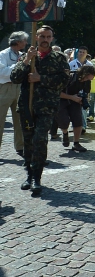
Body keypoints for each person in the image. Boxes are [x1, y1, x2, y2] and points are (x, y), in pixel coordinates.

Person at [11, 25, 70, 195]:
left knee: (39, 140)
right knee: (28, 141)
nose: (45, 39)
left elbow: (64, 80)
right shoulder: (26, 55)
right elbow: (15, 78)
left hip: (46, 107)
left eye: (48, 36)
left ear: (52, 38)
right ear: (36, 37)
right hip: (27, 106)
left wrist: (40, 78)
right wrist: (27, 61)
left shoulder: (58, 58)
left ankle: (37, 177)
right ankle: (29, 175)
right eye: (42, 36)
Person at [0, 31, 29, 159]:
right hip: (5, 88)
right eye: (24, 40)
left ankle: (20, 146)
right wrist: (19, 66)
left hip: (19, 88)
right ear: (17, 42)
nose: (26, 43)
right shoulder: (3, 54)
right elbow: (2, 72)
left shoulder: (23, 55)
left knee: (20, 119)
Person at [58, 65, 95, 152]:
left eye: (89, 80)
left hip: (75, 102)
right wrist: (71, 97)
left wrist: (83, 100)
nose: (87, 80)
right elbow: (57, 93)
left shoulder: (87, 82)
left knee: (78, 121)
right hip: (62, 100)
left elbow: (86, 93)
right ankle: (65, 133)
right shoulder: (69, 77)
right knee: (63, 121)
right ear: (83, 74)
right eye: (87, 78)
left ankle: (76, 143)